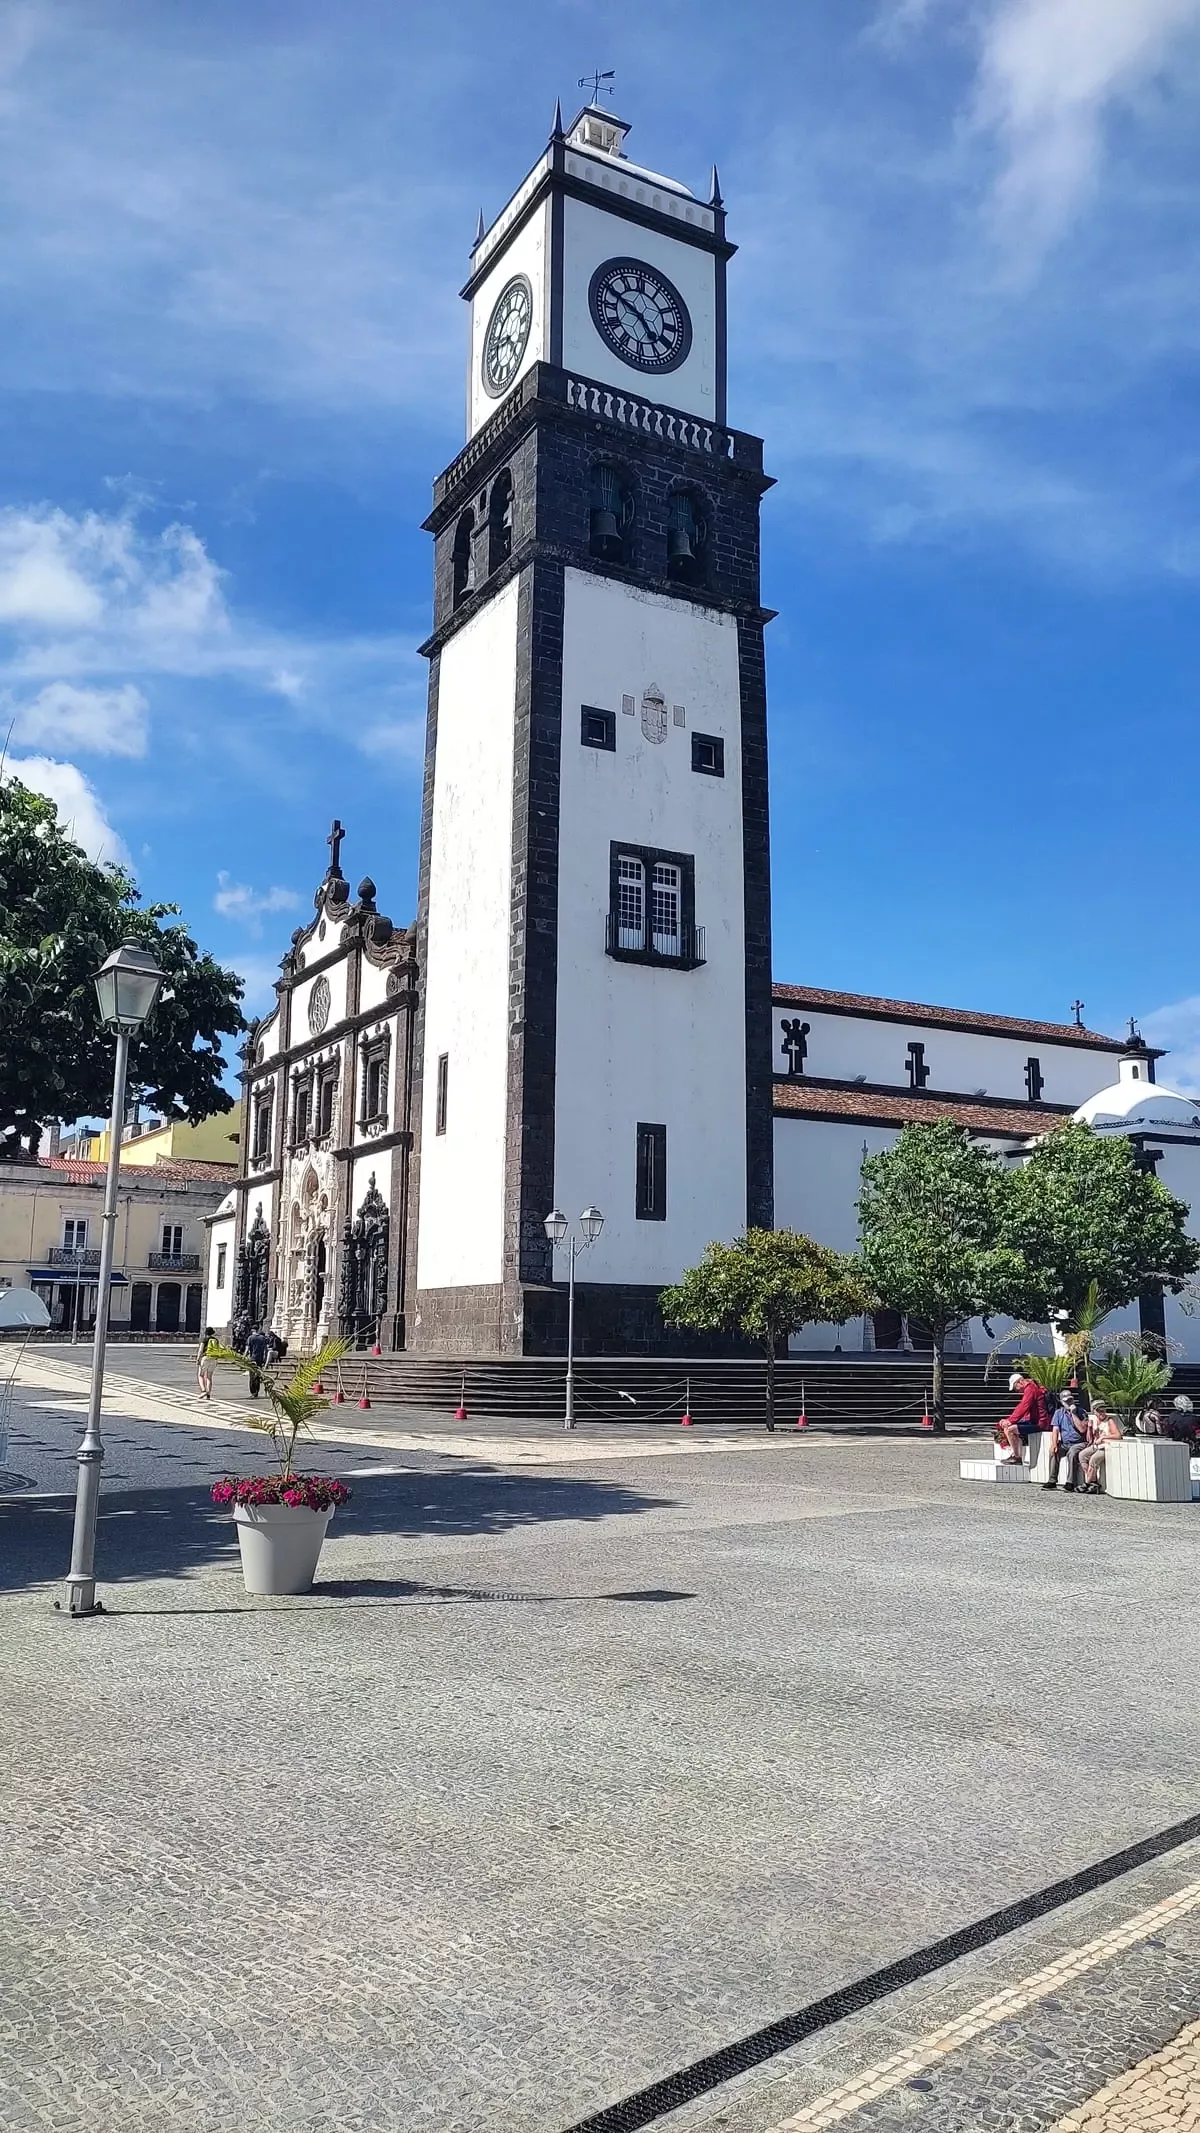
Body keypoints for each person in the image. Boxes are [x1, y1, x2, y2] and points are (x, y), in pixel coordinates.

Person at [996, 1371, 1053, 1464]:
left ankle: (1017, 1457)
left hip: (1040, 1423)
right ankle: (1015, 1455)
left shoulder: (1031, 1389)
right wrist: (1010, 1419)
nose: (1017, 1391)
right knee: (1009, 1429)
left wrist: (1010, 1420)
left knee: (1010, 1430)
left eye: (1016, 1388)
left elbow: (1024, 1406)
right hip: (1037, 1421)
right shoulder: (1032, 1387)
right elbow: (1023, 1407)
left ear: (1020, 1382)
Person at [1042, 1388, 1088, 1490]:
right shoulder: (1059, 1413)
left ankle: (1070, 1482)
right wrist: (1054, 1444)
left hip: (1079, 1442)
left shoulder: (1081, 1412)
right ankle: (1052, 1480)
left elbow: (1082, 1429)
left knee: (1072, 1453)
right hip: (1064, 1442)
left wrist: (1074, 1413)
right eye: (1066, 1401)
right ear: (1062, 1402)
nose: (1069, 1403)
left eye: (1071, 1400)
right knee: (1054, 1452)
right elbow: (1055, 1430)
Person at [1080, 1402, 1123, 1493]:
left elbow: (1118, 1435)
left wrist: (1103, 1437)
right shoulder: (1095, 1421)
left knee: (1093, 1459)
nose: (1102, 1413)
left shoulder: (1109, 1421)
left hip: (1106, 1446)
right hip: (1096, 1445)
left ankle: (1086, 1483)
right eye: (1099, 1411)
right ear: (1095, 1412)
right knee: (1082, 1455)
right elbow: (1089, 1439)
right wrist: (1089, 1428)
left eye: (1103, 1411)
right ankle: (1094, 1482)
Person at [245, 1323, 271, 1399]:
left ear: (252, 1330)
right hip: (259, 1358)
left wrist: (243, 1357)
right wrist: (265, 1359)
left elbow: (247, 1349)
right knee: (258, 1375)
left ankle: (253, 1392)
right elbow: (266, 1349)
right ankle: (257, 1391)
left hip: (252, 1358)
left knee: (252, 1376)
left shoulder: (250, 1338)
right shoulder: (262, 1338)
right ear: (258, 1329)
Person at [195, 1326, 217, 1401]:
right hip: (213, 1359)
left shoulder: (205, 1340)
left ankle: (203, 1390)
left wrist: (198, 1359)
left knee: (200, 1375)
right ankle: (208, 1394)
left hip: (205, 1358)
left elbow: (201, 1350)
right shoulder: (215, 1340)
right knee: (209, 1377)